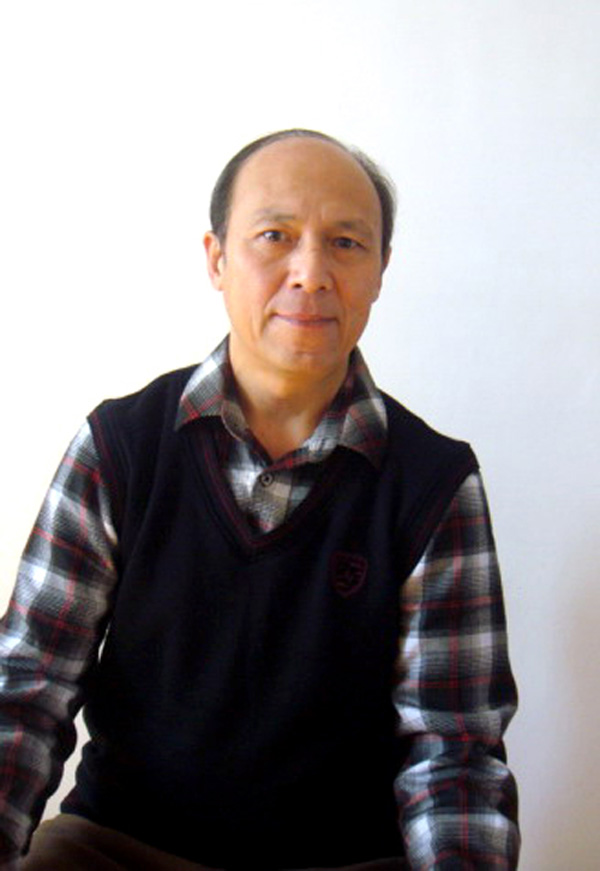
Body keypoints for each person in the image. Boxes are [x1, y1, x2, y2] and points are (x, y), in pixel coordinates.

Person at [0, 129, 520, 870]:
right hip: (119, 848)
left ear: (380, 270)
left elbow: (454, 750)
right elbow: (27, 691)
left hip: (345, 862)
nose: (310, 273)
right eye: (275, 236)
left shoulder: (434, 483)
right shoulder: (120, 446)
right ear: (216, 258)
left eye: (346, 243)